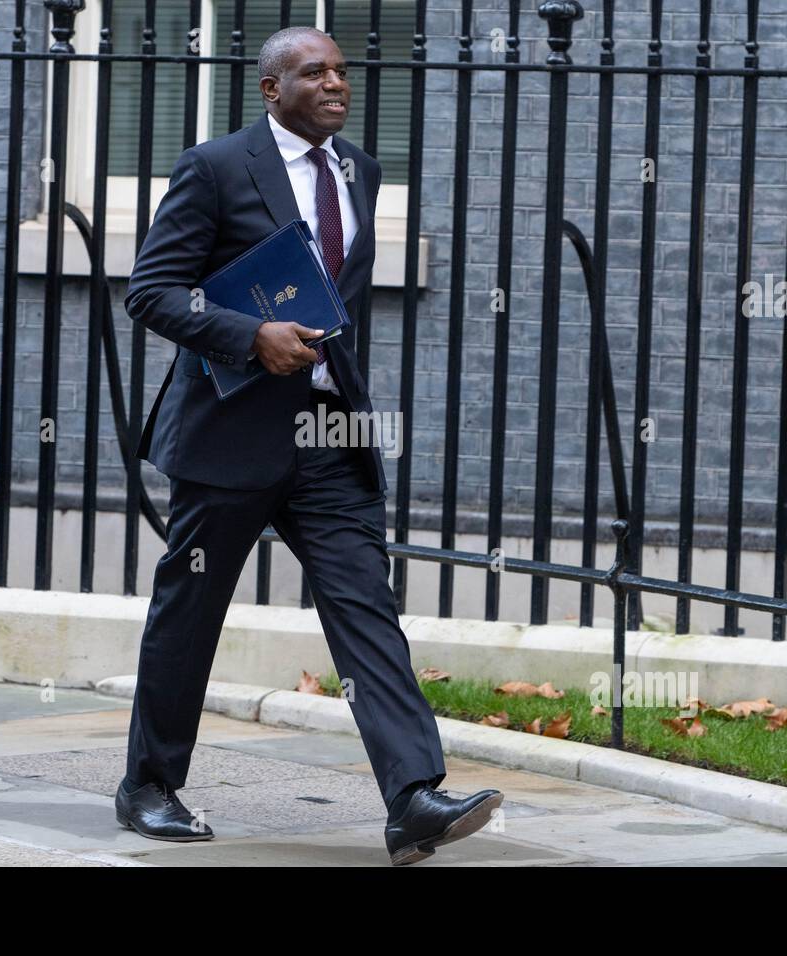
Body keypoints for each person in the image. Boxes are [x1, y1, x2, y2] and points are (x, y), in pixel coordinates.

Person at [115, 25, 502, 866]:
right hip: (230, 437)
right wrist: (250, 335)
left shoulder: (359, 169)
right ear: (270, 88)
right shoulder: (215, 168)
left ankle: (412, 798)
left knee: (366, 606)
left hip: (329, 432)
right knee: (191, 611)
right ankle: (148, 785)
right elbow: (149, 293)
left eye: (341, 71)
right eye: (313, 73)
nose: (336, 84)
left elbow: (339, 304)